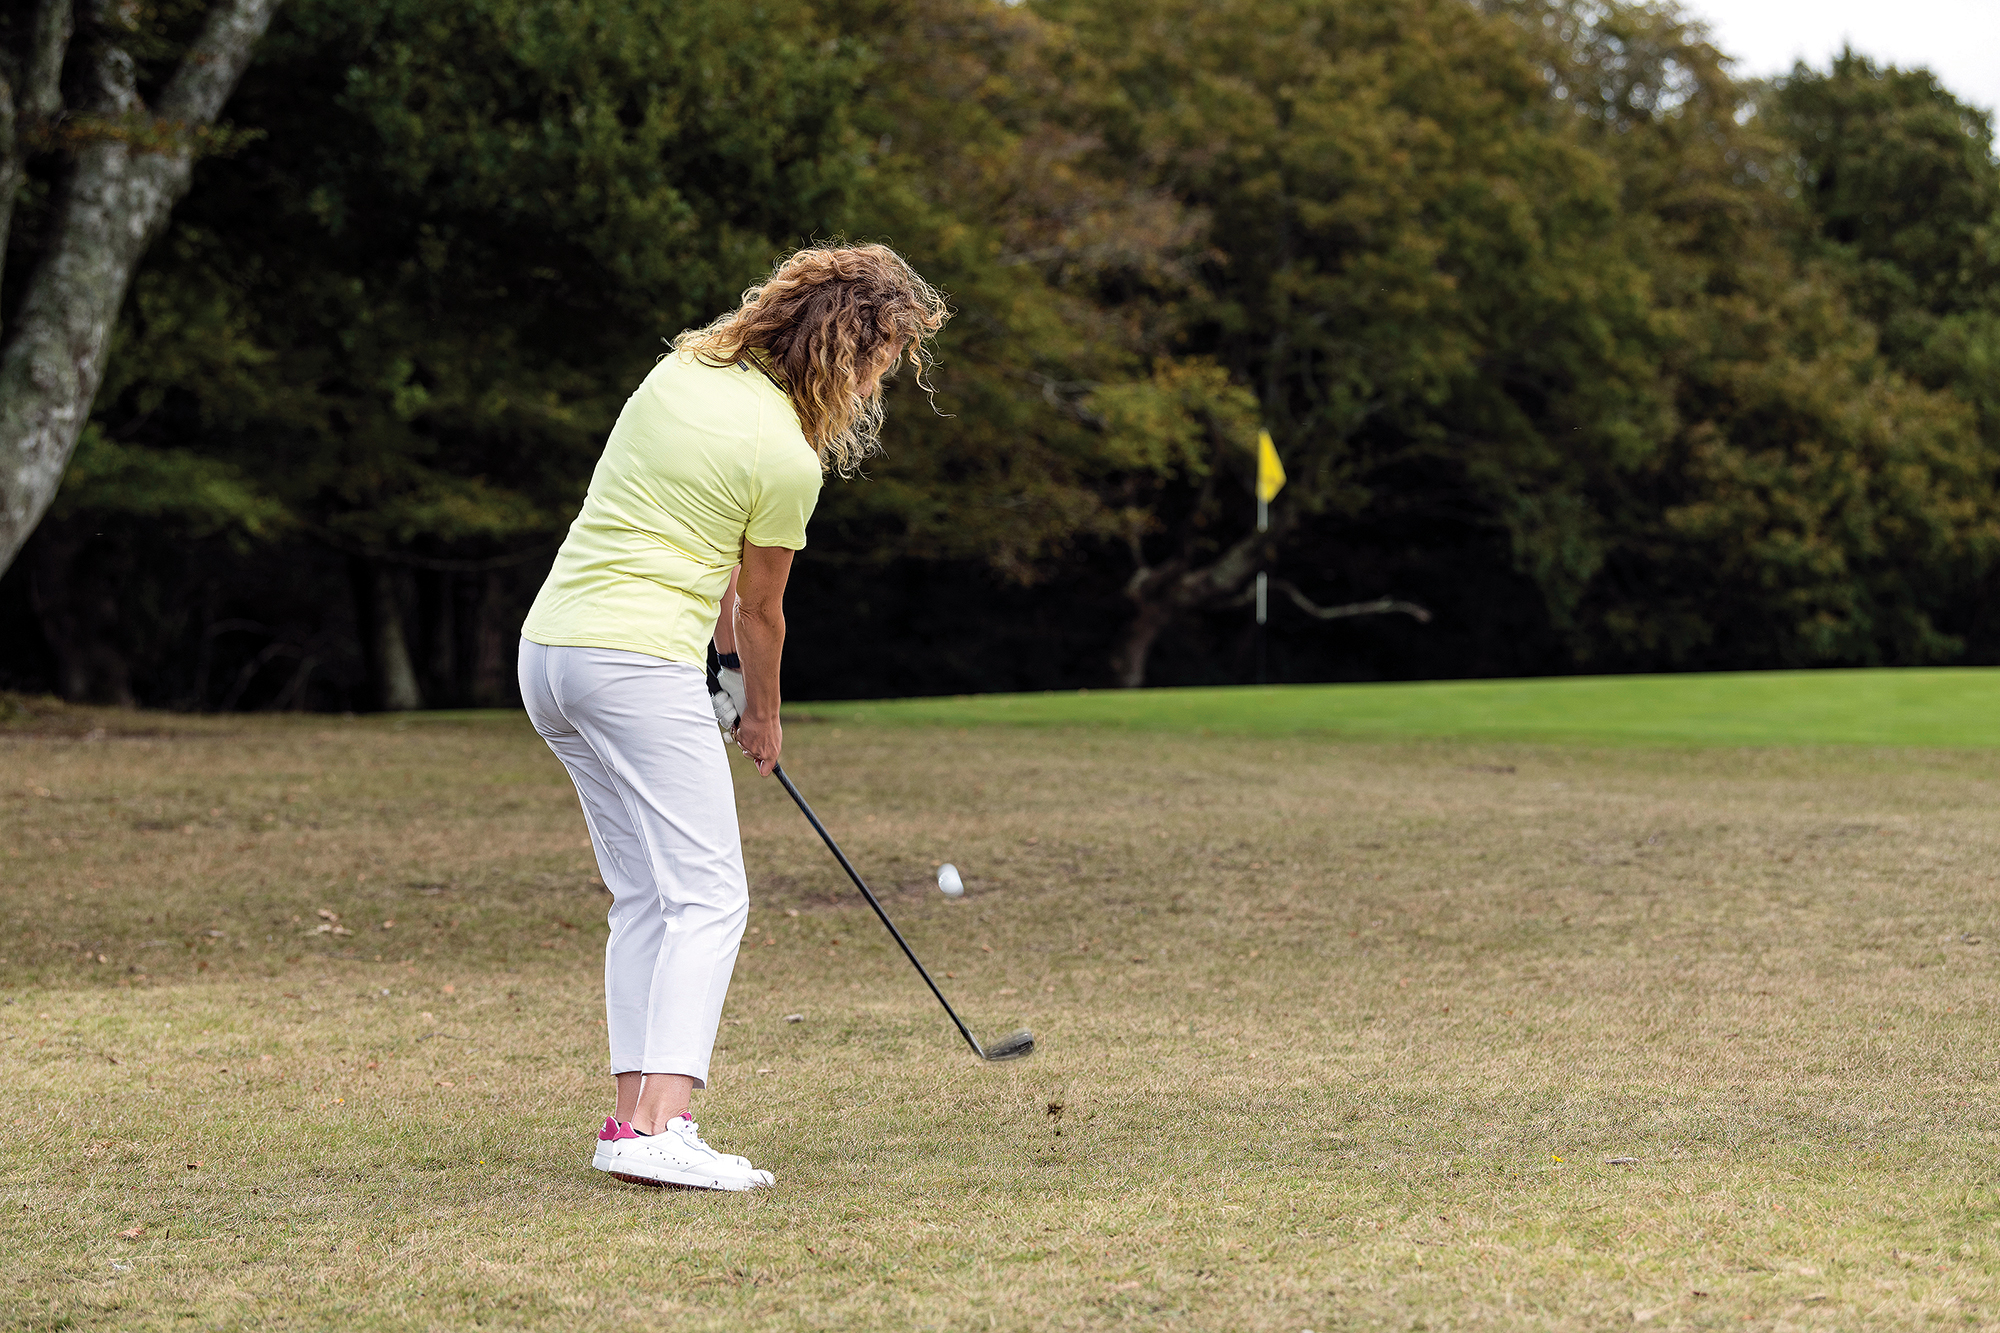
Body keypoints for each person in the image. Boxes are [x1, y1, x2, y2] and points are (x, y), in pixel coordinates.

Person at [516, 245, 950, 1190]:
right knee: (710, 896)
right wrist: (762, 714)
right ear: (850, 354)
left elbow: (688, 542)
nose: (882, 381)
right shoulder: (787, 457)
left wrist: (710, 668)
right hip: (633, 663)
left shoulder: (683, 367)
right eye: (884, 361)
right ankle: (663, 1128)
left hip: (551, 654)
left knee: (645, 896)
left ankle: (630, 1121)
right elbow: (759, 609)